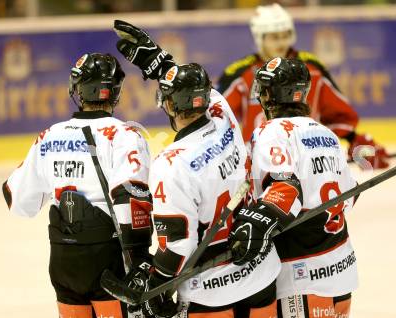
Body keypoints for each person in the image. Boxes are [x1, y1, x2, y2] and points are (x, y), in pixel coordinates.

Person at [113, 20, 281, 318]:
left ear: (168, 105)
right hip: (261, 271)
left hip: (211, 290)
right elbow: (202, 92)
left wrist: (157, 284)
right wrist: (159, 62)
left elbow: (179, 245)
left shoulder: (170, 164)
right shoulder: (223, 115)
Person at [2, 53, 152, 318]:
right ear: (115, 91)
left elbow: (17, 201)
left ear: (77, 89)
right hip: (109, 260)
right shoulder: (125, 136)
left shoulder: (49, 136)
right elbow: (131, 199)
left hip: (64, 260)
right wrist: (141, 261)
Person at [228, 57, 358, 318]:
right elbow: (350, 194)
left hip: (301, 273)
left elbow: (284, 192)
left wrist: (254, 223)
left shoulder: (272, 132)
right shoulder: (326, 134)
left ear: (269, 95)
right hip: (341, 268)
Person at [217, 3, 389, 169]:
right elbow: (217, 118)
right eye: (274, 37)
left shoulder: (312, 69)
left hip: (307, 160)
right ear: (259, 38)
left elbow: (338, 115)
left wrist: (357, 143)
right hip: (261, 162)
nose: (281, 42)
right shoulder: (240, 73)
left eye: (285, 35)